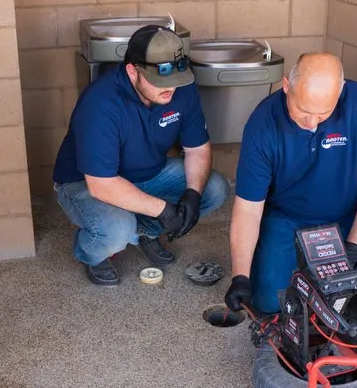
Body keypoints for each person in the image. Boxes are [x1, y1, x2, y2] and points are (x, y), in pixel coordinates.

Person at [224, 52, 357, 314]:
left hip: (346, 217)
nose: (312, 122)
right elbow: (249, 207)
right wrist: (239, 276)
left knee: (356, 306)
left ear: (340, 92)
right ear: (286, 86)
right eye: (304, 111)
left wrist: (354, 247)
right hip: (287, 218)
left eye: (323, 114)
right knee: (270, 303)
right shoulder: (263, 123)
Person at [52, 24, 230, 285]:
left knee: (214, 188)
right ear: (132, 71)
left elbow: (197, 148)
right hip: (87, 182)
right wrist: (164, 210)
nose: (170, 89)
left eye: (175, 79)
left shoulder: (182, 87)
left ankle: (145, 230)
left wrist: (192, 194)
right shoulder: (100, 104)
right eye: (160, 81)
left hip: (148, 173)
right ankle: (88, 251)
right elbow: (102, 185)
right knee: (117, 229)